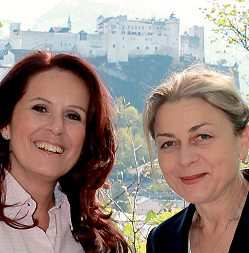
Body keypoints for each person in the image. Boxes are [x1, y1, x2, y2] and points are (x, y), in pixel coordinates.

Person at [0, 51, 129, 253]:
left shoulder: (98, 240)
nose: (57, 127)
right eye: (40, 108)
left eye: (73, 115)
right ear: (5, 124)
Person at [143, 66, 249, 253]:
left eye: (203, 137)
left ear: (243, 141)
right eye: (168, 143)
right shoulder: (162, 241)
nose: (185, 159)